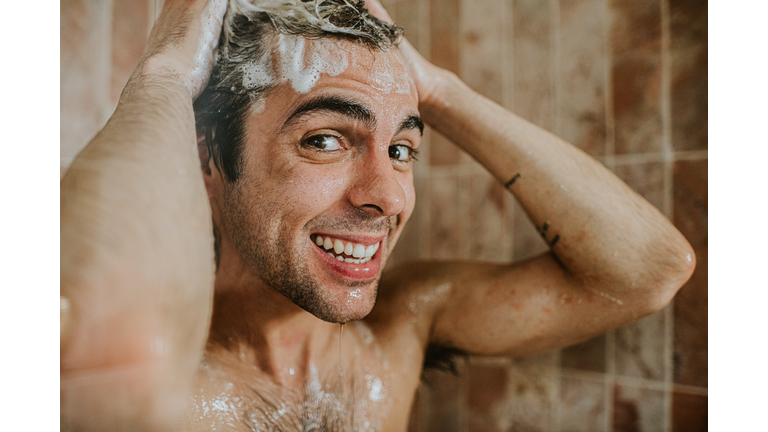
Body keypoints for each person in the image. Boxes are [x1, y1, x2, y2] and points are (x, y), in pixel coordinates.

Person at [60, 0, 696, 430]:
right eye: (326, 140)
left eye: (401, 150)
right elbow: (101, 335)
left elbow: (647, 271)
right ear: (208, 157)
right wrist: (165, 77)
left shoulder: (399, 328)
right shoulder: (157, 371)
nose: (388, 197)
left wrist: (438, 89)